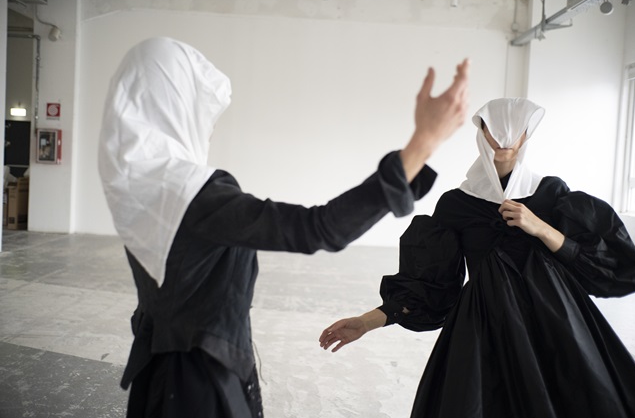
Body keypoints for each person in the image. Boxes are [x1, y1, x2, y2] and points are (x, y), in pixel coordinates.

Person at [97, 36, 469, 418]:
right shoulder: (191, 195)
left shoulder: (142, 185)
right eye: (198, 108)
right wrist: (423, 142)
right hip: (199, 384)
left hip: (160, 370)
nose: (207, 127)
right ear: (173, 105)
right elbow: (319, 228)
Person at [319, 97, 635, 418]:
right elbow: (430, 287)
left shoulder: (552, 194)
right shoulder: (456, 204)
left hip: (557, 325)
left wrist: (540, 228)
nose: (504, 139)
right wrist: (366, 322)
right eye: (494, 129)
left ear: (527, 135)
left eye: (515, 130)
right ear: (481, 132)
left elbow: (606, 266)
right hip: (483, 329)